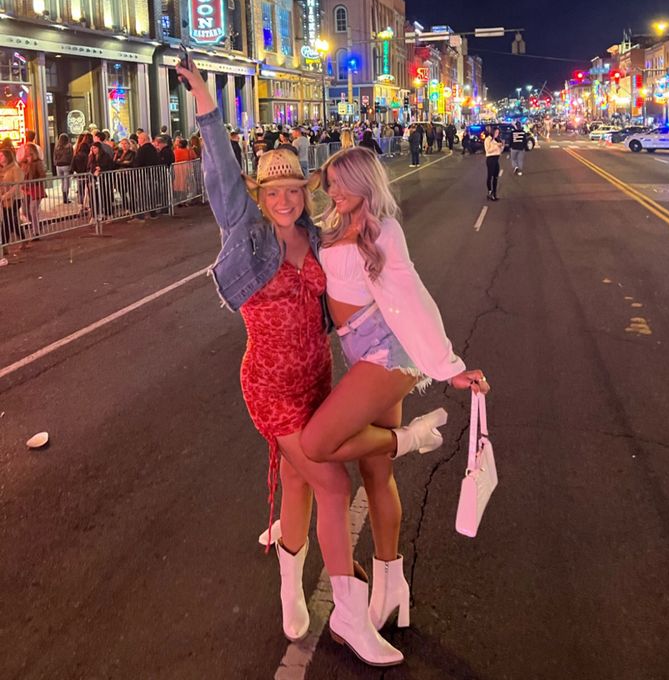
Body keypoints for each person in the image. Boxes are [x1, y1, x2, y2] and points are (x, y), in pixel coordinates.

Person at [176, 56, 404, 668]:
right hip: (271, 387)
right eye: (271, 191)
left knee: (302, 480)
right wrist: (207, 105)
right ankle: (351, 619)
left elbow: (368, 275)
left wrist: (406, 340)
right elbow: (223, 179)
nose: (281, 200)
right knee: (331, 481)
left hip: (317, 381)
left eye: (291, 190)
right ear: (261, 195)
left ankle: (289, 584)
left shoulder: (321, 237)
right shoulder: (247, 236)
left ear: (304, 193)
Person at [300, 146, 489, 631]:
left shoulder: (383, 230)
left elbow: (410, 295)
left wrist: (449, 367)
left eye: (342, 182)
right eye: (330, 182)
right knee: (376, 475)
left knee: (317, 443)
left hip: (388, 355)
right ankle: (391, 586)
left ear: (365, 183)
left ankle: (413, 439)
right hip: (362, 352)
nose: (333, 190)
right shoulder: (333, 225)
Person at [21, 143, 45, 239]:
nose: (25, 151)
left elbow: (42, 174)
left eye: (27, 149)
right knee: (25, 211)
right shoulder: (24, 162)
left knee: (33, 209)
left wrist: (36, 180)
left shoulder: (37, 162)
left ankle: (36, 232)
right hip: (26, 188)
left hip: (35, 188)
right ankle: (36, 225)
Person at [1, 146, 24, 246]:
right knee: (10, 220)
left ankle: (5, 244)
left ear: (7, 157)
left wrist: (7, 195)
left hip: (15, 198)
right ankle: (21, 238)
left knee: (8, 220)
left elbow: (17, 184)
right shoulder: (2, 170)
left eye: (2, 155)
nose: (0, 157)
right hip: (4, 198)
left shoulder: (15, 168)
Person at [484, 126, 504, 201]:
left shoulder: (496, 140)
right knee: (490, 176)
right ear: (492, 132)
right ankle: (490, 191)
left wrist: (502, 146)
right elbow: (488, 150)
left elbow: (499, 151)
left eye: (498, 133)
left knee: (495, 177)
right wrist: (496, 146)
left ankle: (494, 193)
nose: (497, 134)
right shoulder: (488, 139)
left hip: (496, 159)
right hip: (490, 159)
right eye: (496, 132)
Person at [53, 133, 73, 204]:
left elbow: (54, 156)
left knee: (62, 182)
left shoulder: (57, 146)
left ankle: (64, 195)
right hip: (66, 165)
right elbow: (71, 156)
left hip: (58, 166)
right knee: (66, 182)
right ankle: (65, 197)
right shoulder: (69, 146)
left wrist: (55, 163)